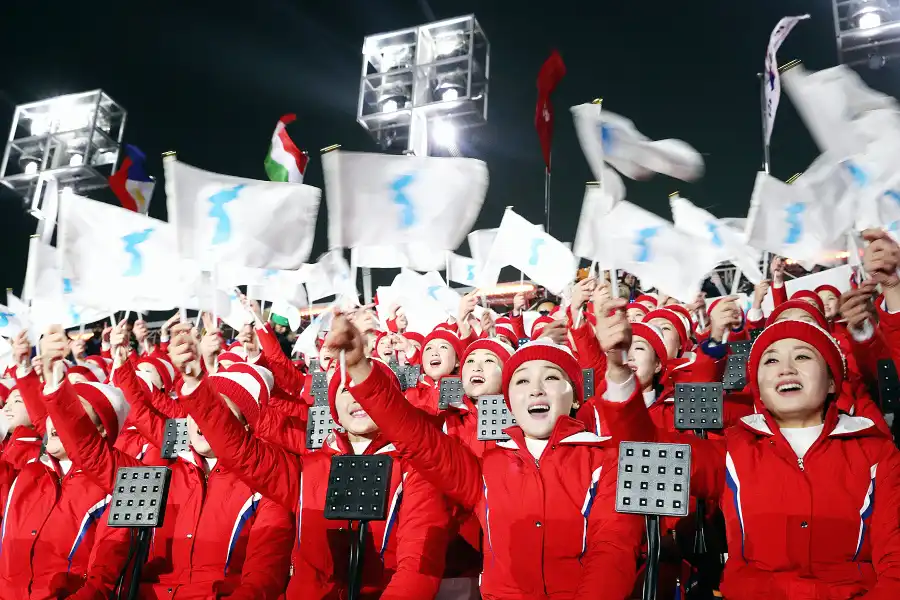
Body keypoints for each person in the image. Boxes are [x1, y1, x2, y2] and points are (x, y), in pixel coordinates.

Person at [324, 313, 644, 599]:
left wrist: (617, 372)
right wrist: (359, 368)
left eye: (550, 377)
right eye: (522, 380)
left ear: (575, 397)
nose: (535, 389)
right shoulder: (485, 468)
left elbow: (612, 553)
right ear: (510, 400)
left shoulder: (603, 463)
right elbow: (414, 436)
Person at [597, 311, 900, 599]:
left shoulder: (876, 453)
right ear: (759, 388)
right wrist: (619, 372)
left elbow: (895, 564)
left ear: (832, 381)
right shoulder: (733, 450)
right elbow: (644, 447)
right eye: (771, 360)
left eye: (803, 356)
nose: (786, 369)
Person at [167, 321, 451, 599]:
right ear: (333, 406)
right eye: (345, 390)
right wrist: (195, 383)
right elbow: (240, 451)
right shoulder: (308, 468)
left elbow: (418, 565)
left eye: (370, 390)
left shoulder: (416, 470)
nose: (357, 398)